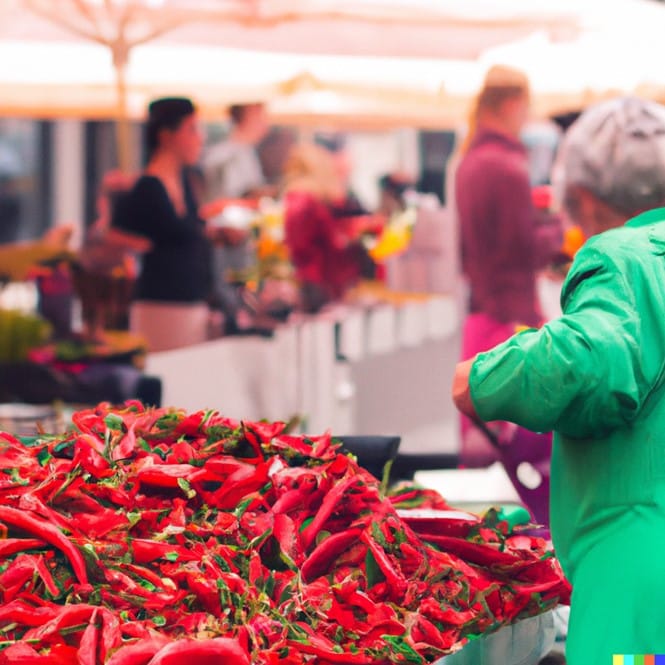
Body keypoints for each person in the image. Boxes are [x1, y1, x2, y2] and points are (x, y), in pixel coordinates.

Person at [452, 96, 665, 664]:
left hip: (642, 586)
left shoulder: (624, 257)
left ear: (586, 197)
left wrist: (482, 377)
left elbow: (587, 359)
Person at [454, 65, 561, 480]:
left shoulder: (469, 161)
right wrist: (557, 229)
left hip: (482, 317)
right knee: (531, 458)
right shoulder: (507, 165)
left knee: (483, 453)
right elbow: (522, 247)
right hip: (514, 320)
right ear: (514, 104)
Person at [112, 97, 212, 352]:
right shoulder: (147, 187)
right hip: (160, 305)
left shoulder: (186, 182)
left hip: (190, 302)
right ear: (167, 136)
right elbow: (112, 234)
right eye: (191, 130)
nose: (199, 139)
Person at [282, 141, 378, 312]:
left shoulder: (297, 198)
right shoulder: (307, 201)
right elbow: (328, 243)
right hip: (319, 277)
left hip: (310, 276)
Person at [202, 102, 270, 200]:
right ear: (247, 117)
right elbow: (231, 199)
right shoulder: (223, 156)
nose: (265, 124)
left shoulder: (248, 152)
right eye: (260, 117)